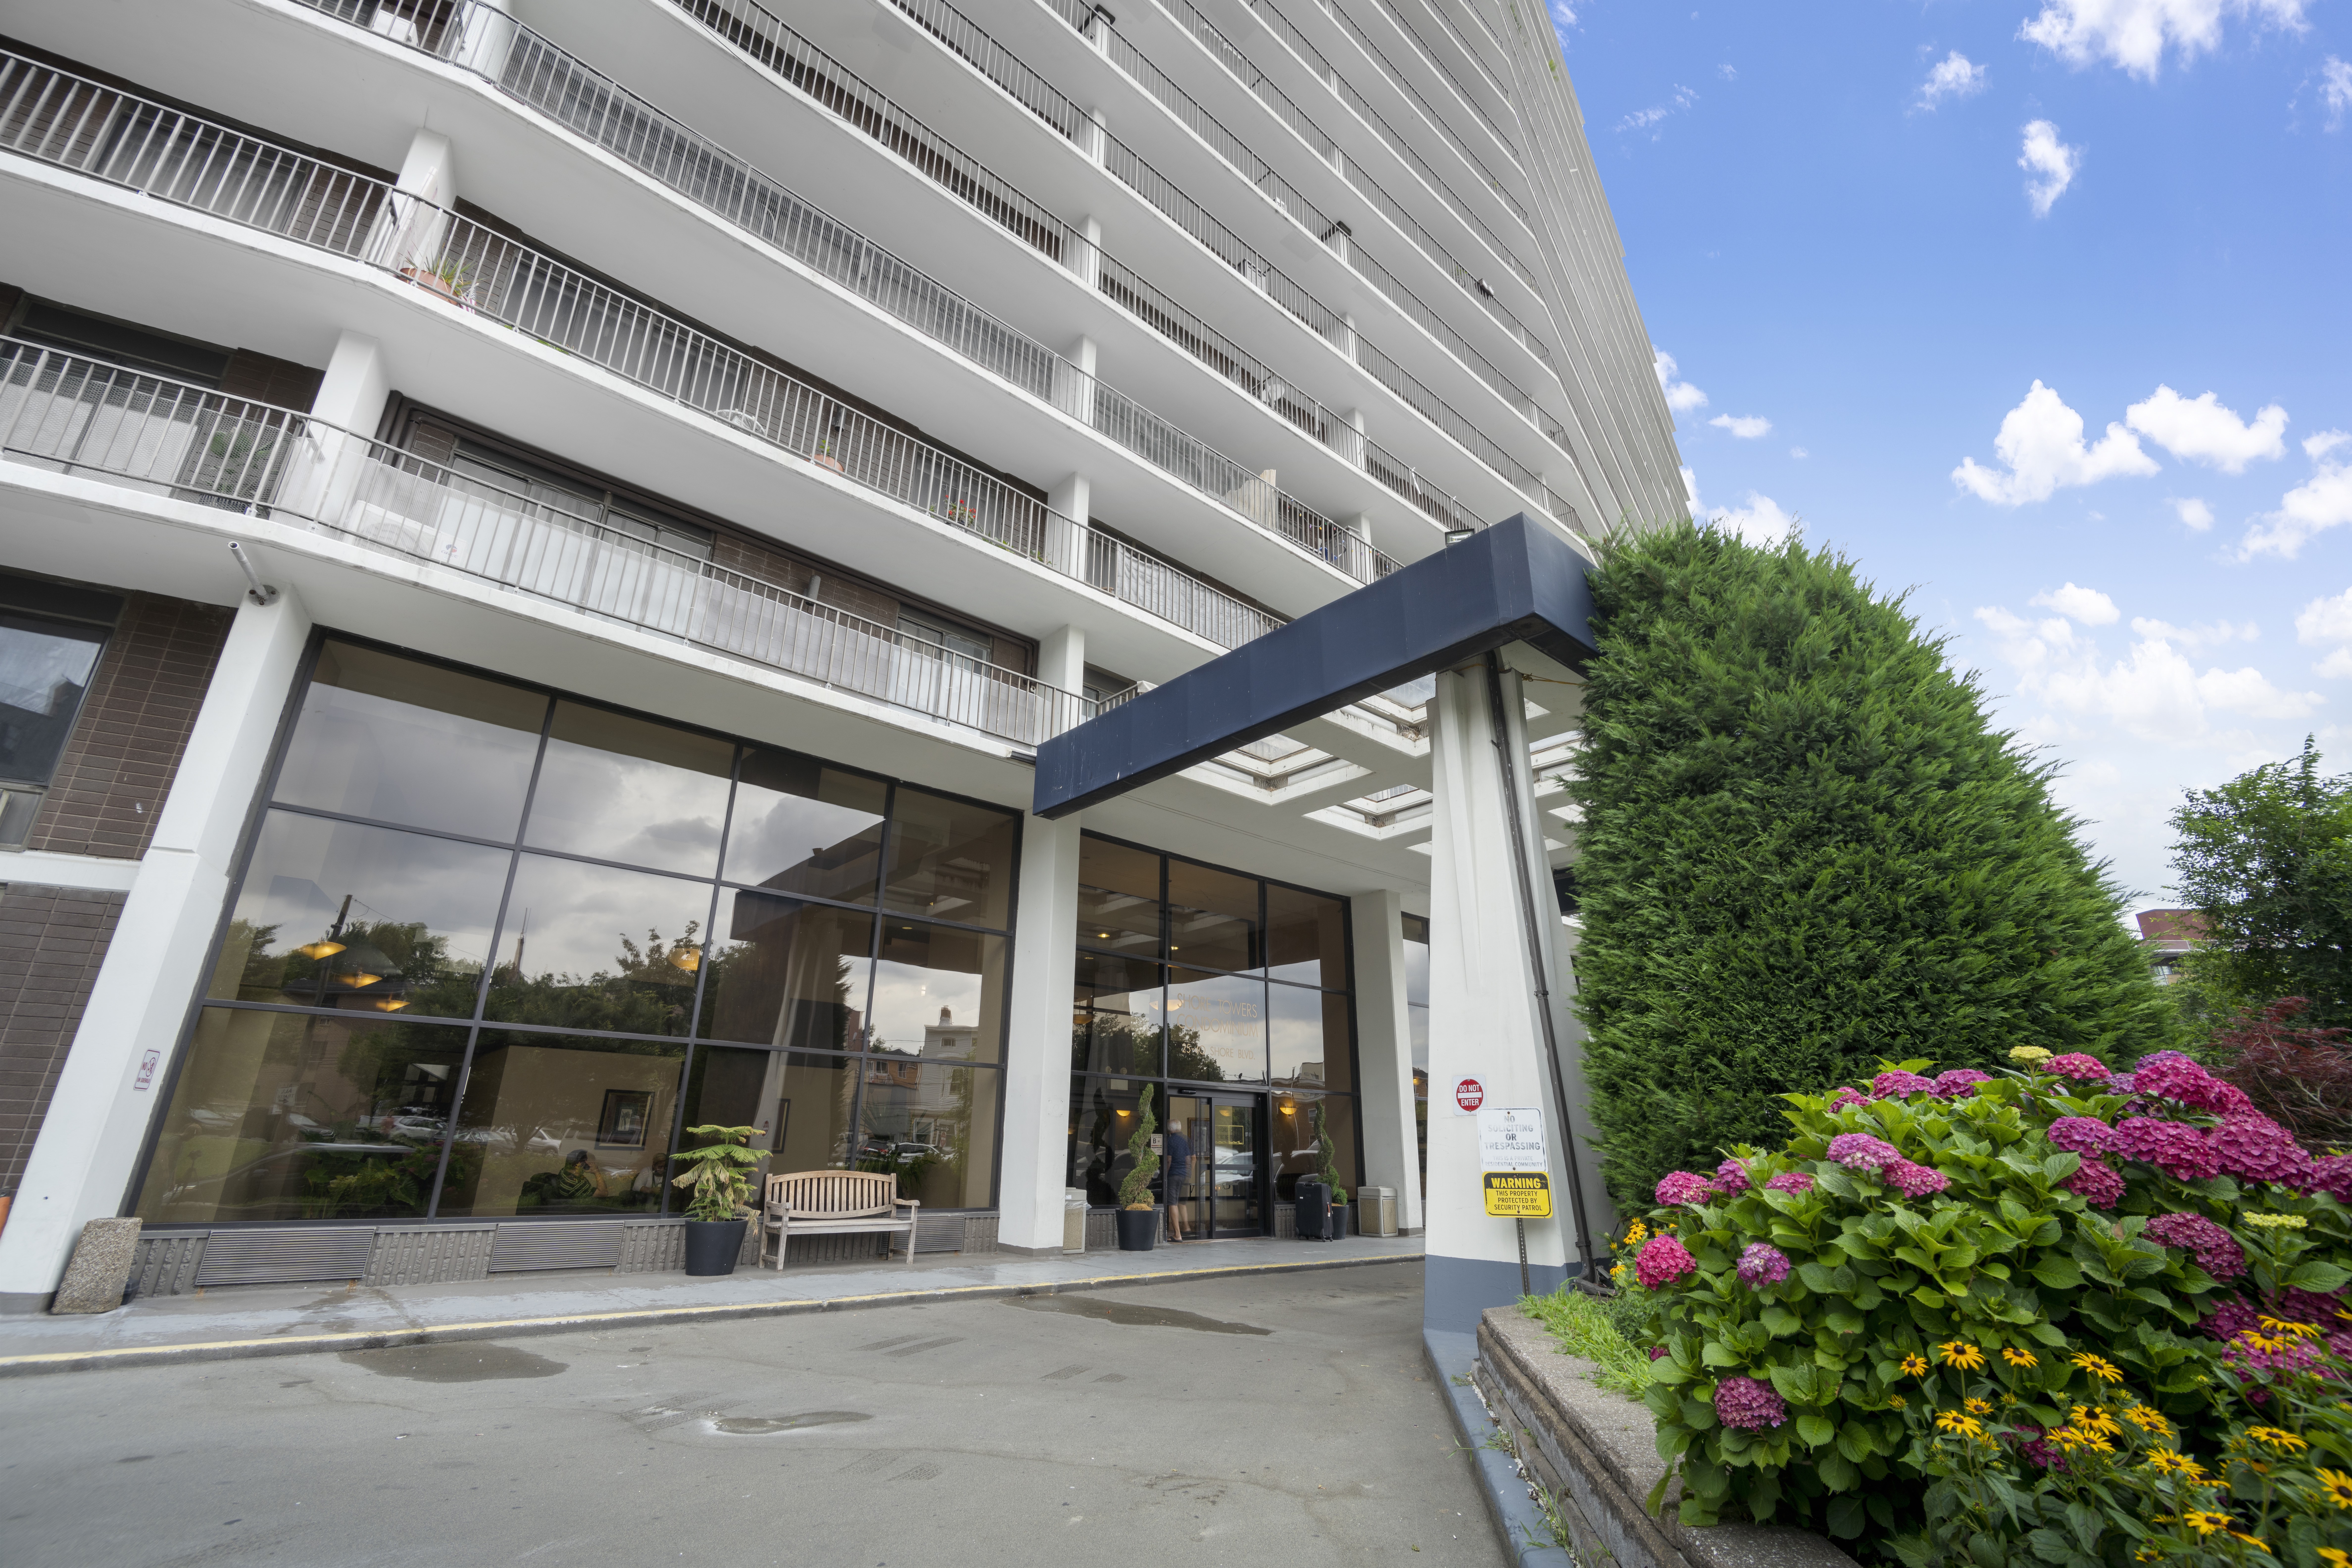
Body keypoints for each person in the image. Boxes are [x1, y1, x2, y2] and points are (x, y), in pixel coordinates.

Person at [1163, 1115, 1195, 1242]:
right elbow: (1194, 1159)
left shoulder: (1170, 1141)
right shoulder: (1187, 1139)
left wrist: (1165, 1175)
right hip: (1185, 1176)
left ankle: (1177, 1235)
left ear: (1170, 1130)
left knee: (1173, 1204)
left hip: (1174, 1176)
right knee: (1182, 1203)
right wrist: (1188, 1174)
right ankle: (1186, 1227)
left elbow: (1169, 1160)